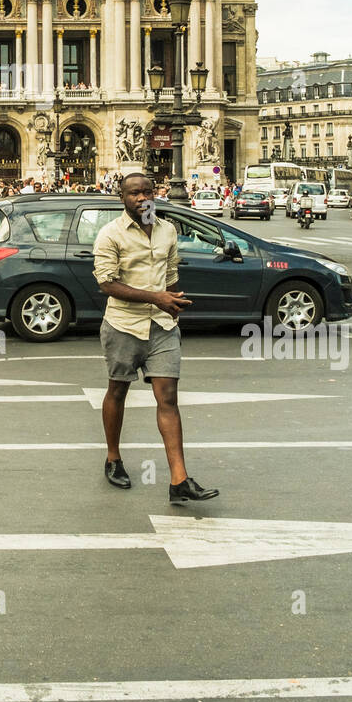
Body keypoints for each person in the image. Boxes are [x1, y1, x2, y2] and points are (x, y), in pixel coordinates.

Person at [93, 172, 219, 504]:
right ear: (122, 198)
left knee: (168, 398)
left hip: (162, 326)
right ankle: (113, 457)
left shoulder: (167, 230)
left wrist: (174, 302)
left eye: (147, 191)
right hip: (123, 324)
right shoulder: (110, 234)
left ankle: (179, 479)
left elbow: (171, 273)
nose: (142, 197)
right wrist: (156, 298)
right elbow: (107, 284)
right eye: (134, 193)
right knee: (117, 390)